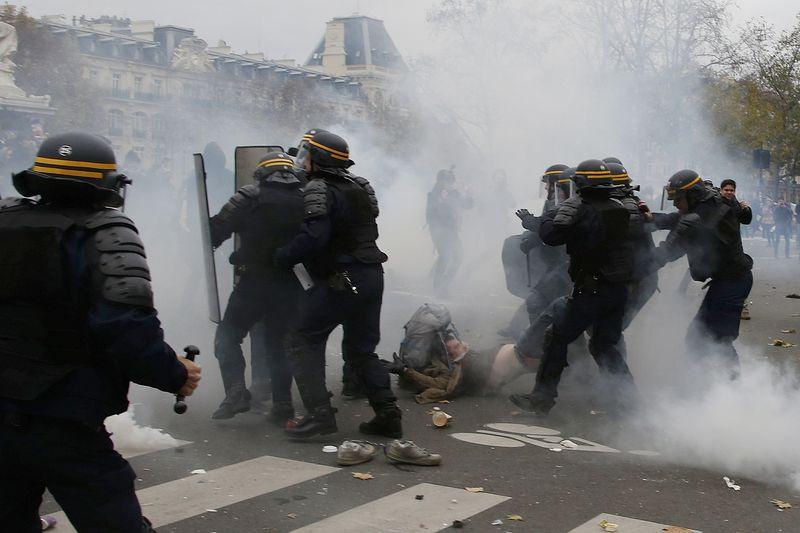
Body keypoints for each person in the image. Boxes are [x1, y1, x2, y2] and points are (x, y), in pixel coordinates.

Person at [0, 132, 201, 532]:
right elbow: (126, 329)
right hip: (64, 418)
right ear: (106, 185)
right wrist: (176, 374)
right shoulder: (106, 233)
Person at [275, 130, 402, 439]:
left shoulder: (319, 187)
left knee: (302, 339)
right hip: (371, 276)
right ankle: (388, 415)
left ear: (318, 159)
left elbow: (314, 238)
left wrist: (282, 256)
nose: (301, 161)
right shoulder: (358, 186)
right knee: (361, 350)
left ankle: (320, 415)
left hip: (341, 279)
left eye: (306, 155)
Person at [510, 159, 636, 415]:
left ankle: (541, 398)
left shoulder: (579, 207)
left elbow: (552, 236)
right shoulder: (619, 207)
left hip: (592, 289)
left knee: (556, 336)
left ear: (581, 183)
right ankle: (627, 401)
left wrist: (541, 219)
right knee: (604, 345)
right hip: (618, 290)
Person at [208, 152, 304, 423]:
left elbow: (215, 230)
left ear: (261, 173)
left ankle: (237, 392)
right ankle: (283, 404)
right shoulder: (305, 199)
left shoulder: (250, 196)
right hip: (290, 283)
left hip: (254, 282)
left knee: (228, 336)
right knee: (278, 343)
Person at [647, 170, 753, 371]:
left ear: (692, 196)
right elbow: (676, 218)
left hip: (733, 282)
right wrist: (650, 217)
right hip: (727, 281)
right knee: (697, 339)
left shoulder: (701, 219)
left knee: (719, 341)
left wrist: (637, 268)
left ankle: (733, 388)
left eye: (678, 198)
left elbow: (669, 250)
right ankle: (707, 384)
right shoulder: (706, 206)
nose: (675, 203)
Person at [389, 339, 537, 404]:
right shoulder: (451, 369)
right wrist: (406, 371)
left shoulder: (467, 357)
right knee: (526, 354)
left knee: (528, 355)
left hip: (495, 364)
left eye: (457, 346)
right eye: (451, 351)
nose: (455, 350)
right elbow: (440, 385)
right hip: (493, 371)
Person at [426, 167, 473, 295]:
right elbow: (433, 214)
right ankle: (438, 287)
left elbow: (467, 205)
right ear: (440, 181)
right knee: (445, 256)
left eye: (450, 181)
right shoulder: (434, 195)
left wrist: (470, 196)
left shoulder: (454, 194)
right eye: (446, 181)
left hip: (451, 231)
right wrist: (445, 202)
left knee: (458, 256)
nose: (449, 184)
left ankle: (444, 284)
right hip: (438, 231)